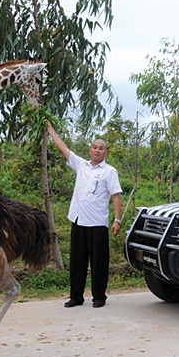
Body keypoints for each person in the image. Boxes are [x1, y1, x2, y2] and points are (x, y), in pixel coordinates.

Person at [46, 121, 122, 309]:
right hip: (79, 221)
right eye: (95, 147)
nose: (97, 150)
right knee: (77, 261)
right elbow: (62, 147)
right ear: (90, 150)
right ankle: (76, 296)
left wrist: (117, 219)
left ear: (105, 153)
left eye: (101, 148)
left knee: (99, 263)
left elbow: (116, 196)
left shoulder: (109, 172)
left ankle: (99, 297)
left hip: (98, 223)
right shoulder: (81, 165)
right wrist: (49, 128)